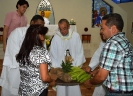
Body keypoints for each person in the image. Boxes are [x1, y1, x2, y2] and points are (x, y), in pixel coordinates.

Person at [86, 13, 133, 96]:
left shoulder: (112, 44)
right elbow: (117, 65)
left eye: (102, 28)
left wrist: (90, 82)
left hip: (117, 92)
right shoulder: (125, 40)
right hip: (126, 90)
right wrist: (98, 70)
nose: (101, 31)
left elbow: (101, 77)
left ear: (113, 29)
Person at [0, 15, 46, 96]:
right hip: (17, 69)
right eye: (38, 24)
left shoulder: (41, 37)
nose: (40, 27)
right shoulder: (18, 32)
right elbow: (13, 53)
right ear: (32, 23)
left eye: (42, 26)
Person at [49, 18, 86, 96]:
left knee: (73, 88)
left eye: (64, 28)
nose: (62, 31)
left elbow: (80, 51)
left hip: (73, 67)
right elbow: (52, 53)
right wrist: (56, 67)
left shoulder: (75, 36)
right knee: (61, 90)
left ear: (69, 27)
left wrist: (77, 66)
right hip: (60, 68)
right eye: (61, 29)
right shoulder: (56, 38)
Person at [16, 25, 54, 96]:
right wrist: (51, 80)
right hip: (38, 91)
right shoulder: (41, 51)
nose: (43, 38)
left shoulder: (24, 51)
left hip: (24, 91)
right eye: (41, 34)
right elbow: (45, 78)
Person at [84, 29, 106, 96]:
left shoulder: (112, 44)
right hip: (103, 74)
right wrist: (90, 66)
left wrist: (91, 81)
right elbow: (98, 55)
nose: (101, 37)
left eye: (102, 34)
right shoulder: (103, 42)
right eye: (100, 35)